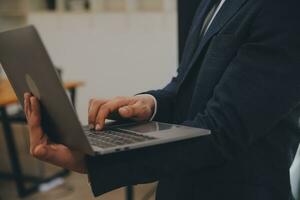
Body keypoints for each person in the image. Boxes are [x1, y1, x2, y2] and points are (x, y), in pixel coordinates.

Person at [24, 0, 300, 199]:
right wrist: (148, 103)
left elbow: (220, 131)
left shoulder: (284, 9)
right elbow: (185, 85)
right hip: (180, 186)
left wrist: (93, 163)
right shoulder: (209, 4)